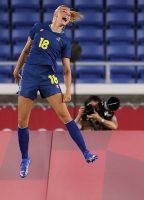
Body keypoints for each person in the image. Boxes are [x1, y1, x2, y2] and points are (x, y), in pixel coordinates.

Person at [13, 5, 97, 178]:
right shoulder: (38, 27)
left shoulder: (65, 41)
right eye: (63, 10)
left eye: (68, 13)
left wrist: (68, 91)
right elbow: (26, 50)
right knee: (22, 121)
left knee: (65, 116)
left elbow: (67, 69)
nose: (66, 13)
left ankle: (86, 152)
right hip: (29, 74)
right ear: (55, 14)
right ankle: (25, 159)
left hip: (48, 77)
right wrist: (16, 70)